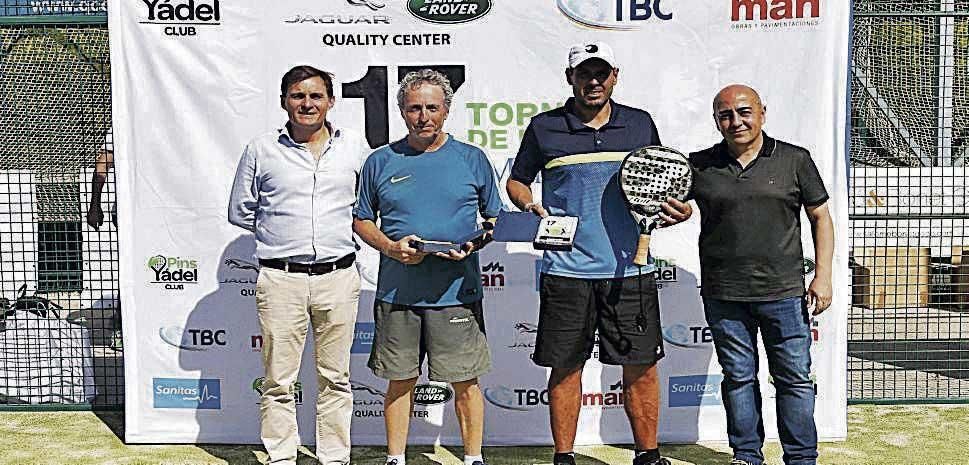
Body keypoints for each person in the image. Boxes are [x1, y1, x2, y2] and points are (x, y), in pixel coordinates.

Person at [506, 42, 692, 465]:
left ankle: (647, 455)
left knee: (641, 368)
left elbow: (659, 179)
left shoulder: (640, 124)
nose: (593, 81)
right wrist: (528, 203)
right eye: (584, 73)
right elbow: (517, 181)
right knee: (566, 369)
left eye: (601, 73)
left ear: (614, 76)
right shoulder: (544, 127)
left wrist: (676, 209)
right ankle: (564, 457)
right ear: (569, 77)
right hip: (566, 271)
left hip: (632, 270)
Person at [353, 69, 501, 465]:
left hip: (457, 291)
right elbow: (362, 220)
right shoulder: (380, 161)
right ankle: (396, 458)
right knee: (399, 381)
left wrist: (473, 244)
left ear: (447, 110)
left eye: (432, 107)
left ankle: (473, 458)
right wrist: (390, 247)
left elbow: (494, 220)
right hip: (398, 292)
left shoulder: (472, 158)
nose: (423, 116)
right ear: (401, 111)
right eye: (415, 108)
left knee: (466, 382)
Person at [228, 65, 371, 465]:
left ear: (330, 101)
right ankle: (281, 457)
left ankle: (335, 458)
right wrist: (283, 231)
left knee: (336, 378)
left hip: (339, 276)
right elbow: (240, 210)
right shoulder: (261, 148)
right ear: (284, 101)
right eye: (297, 95)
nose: (306, 104)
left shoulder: (355, 149)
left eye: (315, 96)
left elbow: (367, 206)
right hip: (280, 278)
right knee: (278, 380)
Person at [687, 84, 834, 465]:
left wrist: (823, 276)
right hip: (723, 295)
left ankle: (802, 458)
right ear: (716, 121)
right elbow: (671, 203)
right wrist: (676, 212)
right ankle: (747, 455)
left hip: (784, 294)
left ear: (762, 112)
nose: (736, 121)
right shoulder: (699, 164)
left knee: (794, 381)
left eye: (744, 111)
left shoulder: (794, 159)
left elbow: (821, 217)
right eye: (725, 115)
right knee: (737, 378)